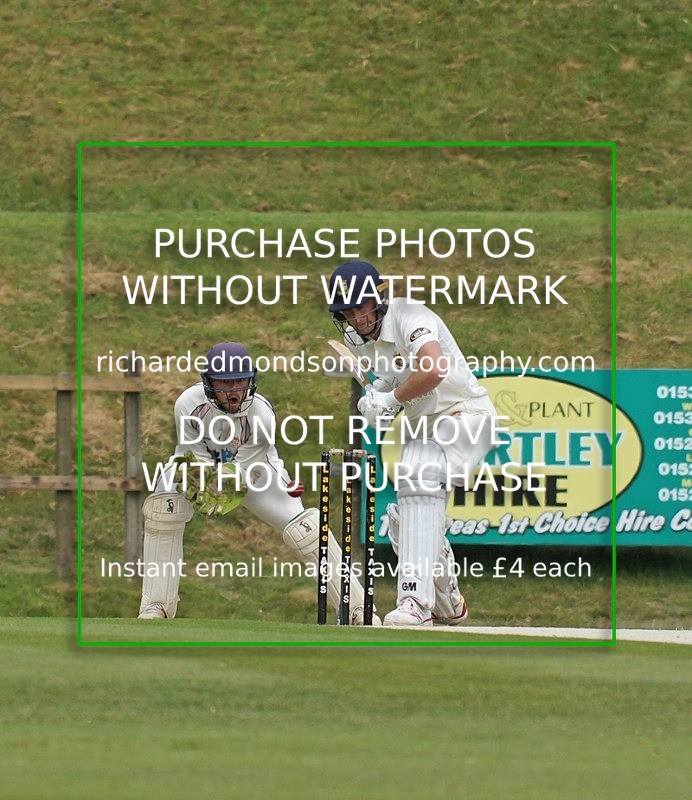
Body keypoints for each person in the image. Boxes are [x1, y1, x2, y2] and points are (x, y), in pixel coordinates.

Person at [138, 340, 379, 625]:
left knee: (307, 530)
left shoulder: (261, 415)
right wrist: (202, 482)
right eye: (224, 383)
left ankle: (357, 609)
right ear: (209, 382)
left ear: (250, 379)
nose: (233, 391)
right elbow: (195, 454)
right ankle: (156, 606)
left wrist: (220, 486)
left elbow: (241, 471)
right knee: (164, 509)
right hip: (193, 467)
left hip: (254, 472)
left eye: (239, 381)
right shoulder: (188, 404)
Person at [327, 261, 498, 627]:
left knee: (419, 471)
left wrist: (389, 401)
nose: (357, 319)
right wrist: (376, 400)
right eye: (347, 312)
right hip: (425, 426)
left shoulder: (411, 316)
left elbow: (433, 369)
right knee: (406, 521)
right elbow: (393, 376)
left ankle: (414, 603)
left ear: (379, 299)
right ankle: (448, 602)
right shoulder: (357, 342)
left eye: (362, 307)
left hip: (466, 415)